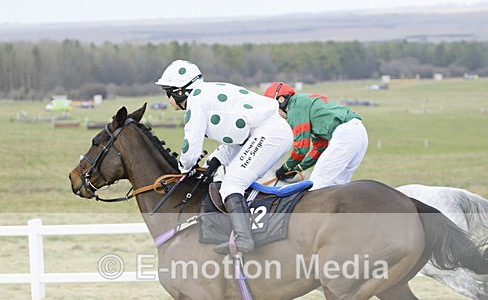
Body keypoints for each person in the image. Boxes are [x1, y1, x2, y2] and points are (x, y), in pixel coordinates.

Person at [156, 60, 293, 255]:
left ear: (179, 92)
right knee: (228, 178)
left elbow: (191, 145)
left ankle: (244, 239)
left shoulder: (196, 100)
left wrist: (184, 168)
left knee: (232, 184)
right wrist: (215, 159)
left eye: (167, 92)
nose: (167, 99)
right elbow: (237, 138)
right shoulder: (206, 94)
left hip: (269, 133)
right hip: (268, 132)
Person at [263, 82, 368, 190]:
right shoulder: (304, 105)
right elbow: (320, 147)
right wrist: (298, 168)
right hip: (359, 133)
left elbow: (301, 148)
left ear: (281, 100)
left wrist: (285, 168)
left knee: (316, 184)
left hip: (346, 134)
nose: (278, 115)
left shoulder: (294, 108)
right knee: (337, 186)